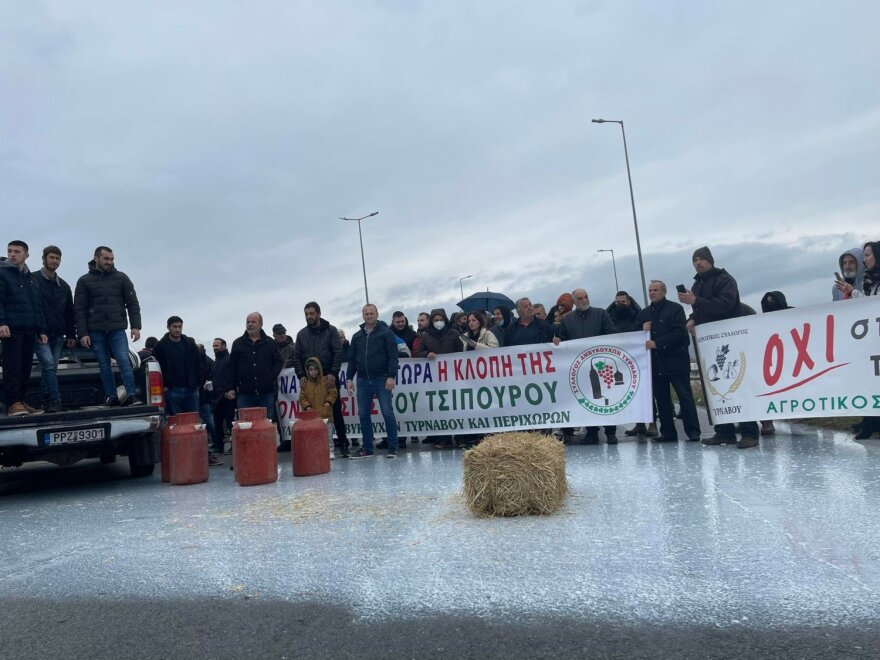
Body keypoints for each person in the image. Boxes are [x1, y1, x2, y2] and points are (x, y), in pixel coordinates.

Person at [679, 246, 759, 448]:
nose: (698, 263)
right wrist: (692, 318)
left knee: (738, 384)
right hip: (709, 343)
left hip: (730, 339)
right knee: (716, 387)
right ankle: (724, 431)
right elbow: (700, 309)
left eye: (701, 259)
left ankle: (750, 433)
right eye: (695, 260)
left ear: (710, 260)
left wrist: (695, 301)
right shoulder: (697, 285)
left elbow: (726, 305)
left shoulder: (725, 280)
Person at [74, 246, 142, 406]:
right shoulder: (84, 281)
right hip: (95, 331)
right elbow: (79, 308)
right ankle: (112, 396)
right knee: (104, 365)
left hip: (117, 329)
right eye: (106, 259)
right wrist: (82, 333)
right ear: (96, 258)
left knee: (124, 361)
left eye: (112, 259)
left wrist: (136, 326)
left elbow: (132, 303)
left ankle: (131, 395)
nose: (109, 262)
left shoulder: (121, 278)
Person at [636, 281, 701, 443]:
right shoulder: (644, 314)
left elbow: (680, 333)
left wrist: (657, 343)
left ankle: (693, 432)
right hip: (656, 364)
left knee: (685, 398)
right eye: (650, 290)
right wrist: (641, 329)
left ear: (664, 292)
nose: (652, 293)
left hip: (676, 361)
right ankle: (667, 433)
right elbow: (635, 336)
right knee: (662, 399)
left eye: (655, 290)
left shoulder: (675, 309)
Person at [554, 289, 618, 444]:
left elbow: (612, 333)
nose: (584, 300)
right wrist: (557, 341)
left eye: (586, 297)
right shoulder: (567, 319)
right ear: (574, 302)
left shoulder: (601, 313)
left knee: (606, 397)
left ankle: (611, 433)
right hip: (581, 367)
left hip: (601, 363)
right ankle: (592, 432)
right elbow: (562, 339)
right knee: (588, 400)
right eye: (580, 298)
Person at [290, 302, 350, 458]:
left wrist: (333, 373)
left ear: (318, 313)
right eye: (306, 314)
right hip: (310, 381)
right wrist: (301, 375)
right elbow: (296, 357)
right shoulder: (301, 334)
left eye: (311, 313)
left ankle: (343, 444)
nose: (309, 316)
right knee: (311, 414)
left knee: (335, 412)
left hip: (328, 379)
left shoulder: (331, 331)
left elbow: (338, 352)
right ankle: (314, 447)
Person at [836, 241, 880, 439]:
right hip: (863, 339)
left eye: (868, 255)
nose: (865, 259)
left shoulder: (872, 281)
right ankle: (870, 422)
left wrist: (853, 292)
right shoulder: (869, 282)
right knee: (867, 382)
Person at [346, 304, 399, 458]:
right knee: (363, 414)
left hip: (382, 379)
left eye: (371, 313)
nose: (369, 316)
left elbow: (393, 357)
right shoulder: (357, 337)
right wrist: (349, 378)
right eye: (366, 313)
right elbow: (352, 360)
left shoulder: (386, 333)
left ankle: (393, 447)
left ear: (377, 314)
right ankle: (367, 448)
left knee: (387, 412)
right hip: (363, 380)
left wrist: (391, 376)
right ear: (363, 315)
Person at [0, 240, 47, 416]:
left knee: (25, 369)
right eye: (10, 251)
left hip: (30, 329)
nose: (12, 254)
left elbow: (37, 306)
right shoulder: (2, 273)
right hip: (11, 329)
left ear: (26, 255)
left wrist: (41, 330)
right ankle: (12, 403)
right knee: (12, 368)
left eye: (17, 252)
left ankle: (21, 400)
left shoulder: (31, 278)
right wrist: (1, 322)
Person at [32, 245, 76, 413]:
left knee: (50, 369)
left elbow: (69, 312)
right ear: (44, 258)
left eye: (57, 258)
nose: (54, 261)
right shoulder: (32, 279)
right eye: (51, 257)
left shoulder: (63, 286)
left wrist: (71, 334)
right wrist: (40, 329)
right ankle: (56, 400)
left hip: (58, 334)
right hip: (39, 332)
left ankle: (45, 402)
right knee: (49, 365)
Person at [415, 308, 462, 448]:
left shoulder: (454, 334)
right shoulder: (426, 336)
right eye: (435, 320)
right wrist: (427, 354)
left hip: (454, 377)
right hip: (435, 380)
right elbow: (417, 353)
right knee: (441, 409)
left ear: (445, 320)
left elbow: (462, 352)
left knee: (456, 407)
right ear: (431, 322)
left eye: (441, 319)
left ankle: (460, 437)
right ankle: (444, 438)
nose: (438, 322)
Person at [227, 312, 283, 424]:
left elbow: (278, 361)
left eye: (253, 322)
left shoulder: (270, 343)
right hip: (245, 394)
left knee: (265, 426)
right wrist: (231, 387)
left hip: (266, 393)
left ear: (261, 324)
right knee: (246, 428)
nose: (250, 324)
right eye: (248, 322)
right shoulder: (238, 343)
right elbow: (231, 367)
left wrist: (271, 376)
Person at [758, 291, 793, 437]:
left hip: (794, 360)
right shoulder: (759, 322)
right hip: (772, 364)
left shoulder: (794, 315)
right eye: (767, 301)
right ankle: (767, 422)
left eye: (773, 300)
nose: (769, 302)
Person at [151, 316, 201, 415]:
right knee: (176, 422)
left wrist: (197, 383)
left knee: (193, 421)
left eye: (180, 326)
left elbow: (198, 363)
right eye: (175, 327)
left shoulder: (190, 344)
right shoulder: (160, 346)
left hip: (190, 388)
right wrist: (164, 385)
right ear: (168, 327)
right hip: (171, 389)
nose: (178, 329)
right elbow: (156, 367)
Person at [299, 357, 339, 459]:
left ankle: (330, 451)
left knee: (328, 435)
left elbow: (333, 392)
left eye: (315, 369)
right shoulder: (306, 384)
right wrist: (307, 407)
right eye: (311, 370)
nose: (313, 372)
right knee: (314, 436)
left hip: (326, 415)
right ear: (307, 371)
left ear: (319, 369)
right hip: (312, 417)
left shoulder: (326, 381)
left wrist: (328, 403)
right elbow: (302, 398)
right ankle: (317, 451)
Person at [211, 337, 236, 456]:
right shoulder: (216, 361)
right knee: (218, 423)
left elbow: (230, 376)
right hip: (217, 396)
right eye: (214, 346)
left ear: (224, 346)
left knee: (230, 422)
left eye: (217, 345)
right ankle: (219, 446)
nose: (215, 348)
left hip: (226, 396)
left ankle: (234, 445)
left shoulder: (229, 359)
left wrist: (229, 390)